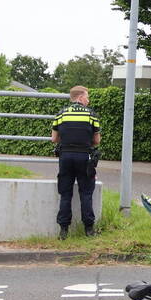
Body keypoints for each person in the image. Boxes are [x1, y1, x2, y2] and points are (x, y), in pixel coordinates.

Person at [51, 85, 101, 239]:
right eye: (87, 97)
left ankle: (63, 230)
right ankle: (89, 230)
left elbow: (54, 139)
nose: (88, 100)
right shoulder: (91, 115)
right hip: (84, 157)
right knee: (86, 193)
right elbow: (97, 141)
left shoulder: (61, 114)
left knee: (65, 193)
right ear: (80, 97)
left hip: (65, 157)